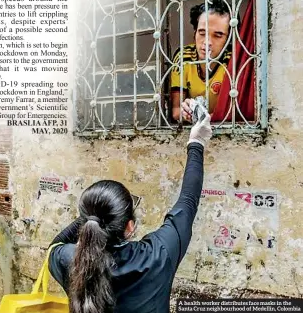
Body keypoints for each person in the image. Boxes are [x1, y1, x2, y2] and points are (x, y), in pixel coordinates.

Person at [48, 112, 213, 313]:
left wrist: (94, 210)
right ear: (130, 226)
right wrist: (196, 142)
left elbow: (55, 244)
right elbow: (188, 202)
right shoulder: (158, 254)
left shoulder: (68, 259)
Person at [170, 0, 232, 122]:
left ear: (229, 39)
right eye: (202, 33)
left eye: (218, 35)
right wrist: (185, 112)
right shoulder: (183, 58)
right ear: (195, 32)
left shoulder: (233, 60)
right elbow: (176, 111)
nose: (207, 42)